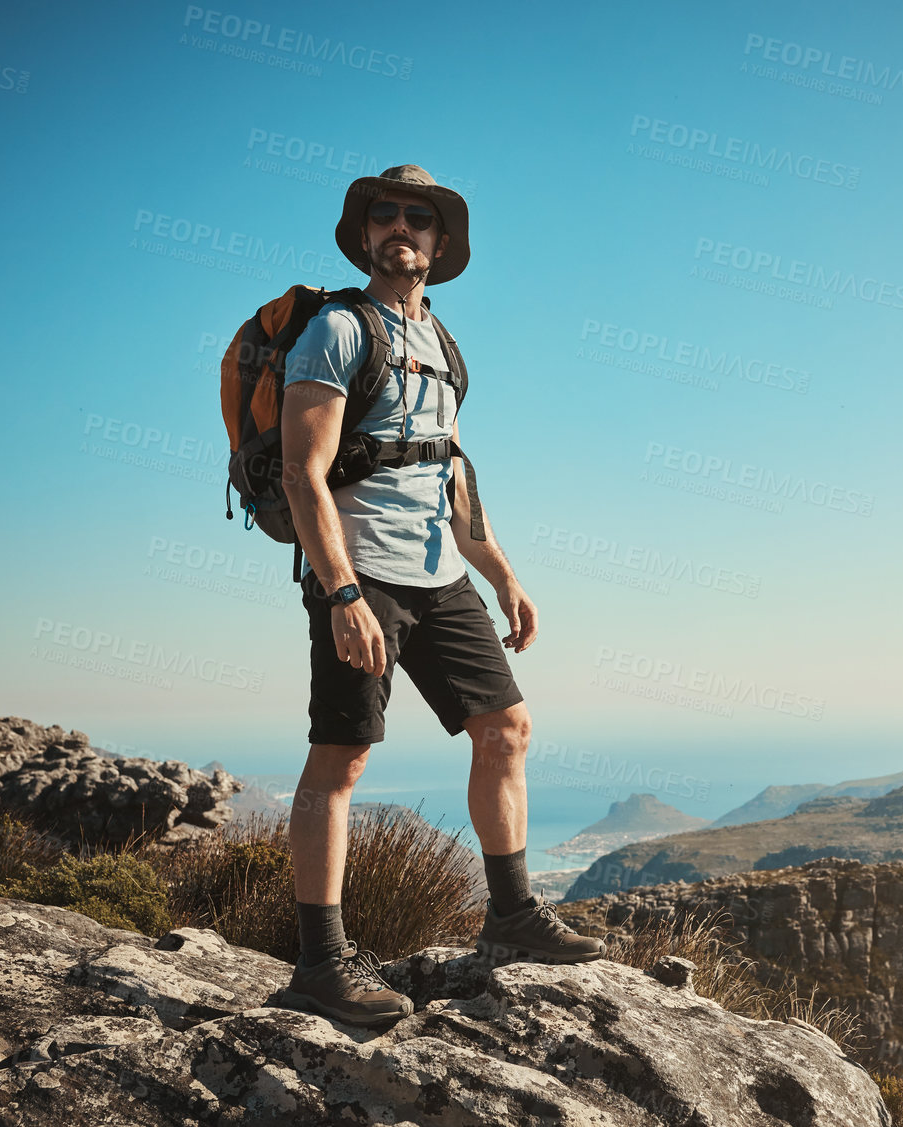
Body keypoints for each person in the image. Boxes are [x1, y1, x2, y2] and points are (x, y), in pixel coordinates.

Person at [275, 165, 604, 1029]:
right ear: (364, 235)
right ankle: (319, 962)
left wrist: (504, 574)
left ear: (441, 243)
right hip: (363, 572)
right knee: (342, 757)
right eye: (384, 214)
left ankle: (511, 913)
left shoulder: (446, 349)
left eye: (419, 218)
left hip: (439, 575)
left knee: (506, 728)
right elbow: (302, 471)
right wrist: (340, 589)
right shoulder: (338, 332)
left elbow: (450, 474)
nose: (401, 228)